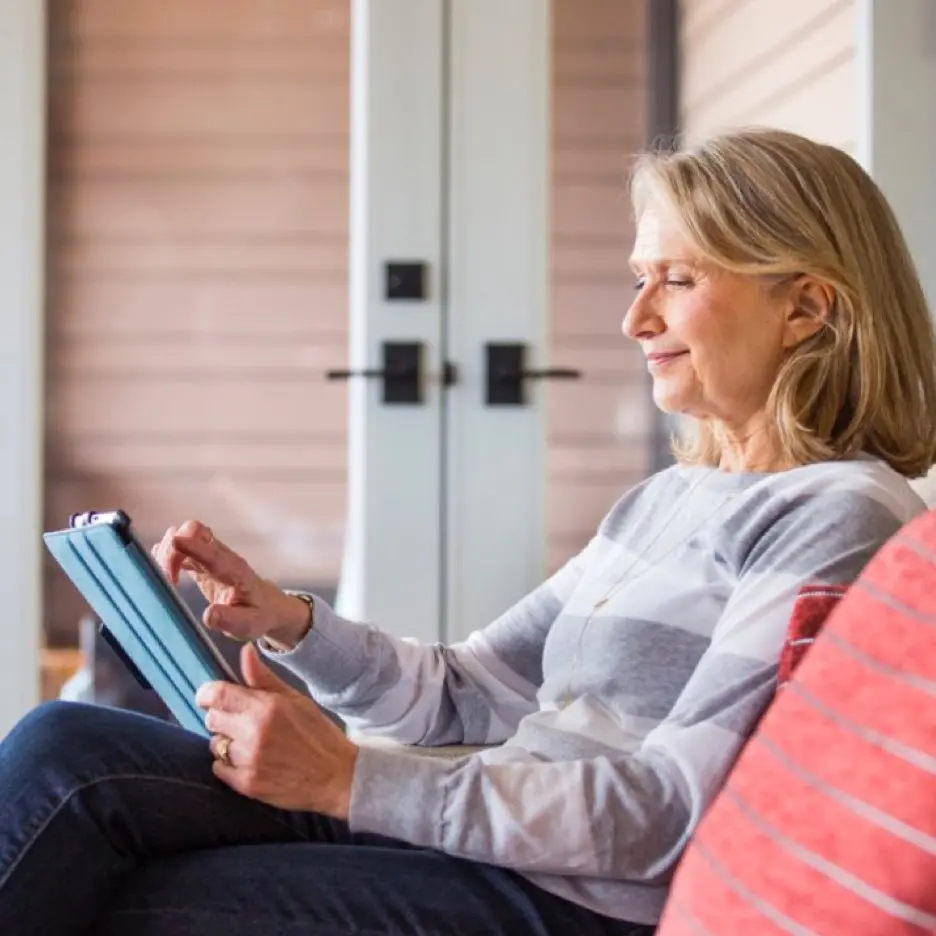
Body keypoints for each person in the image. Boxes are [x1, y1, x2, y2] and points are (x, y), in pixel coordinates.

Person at [2, 127, 935, 936]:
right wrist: (289, 622)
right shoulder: (669, 499)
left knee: (135, 903)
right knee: (65, 746)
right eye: (638, 279)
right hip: (489, 849)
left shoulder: (835, 517)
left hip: (579, 906)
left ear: (807, 308)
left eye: (678, 280)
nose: (634, 317)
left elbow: (674, 811)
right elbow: (463, 694)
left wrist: (349, 784)